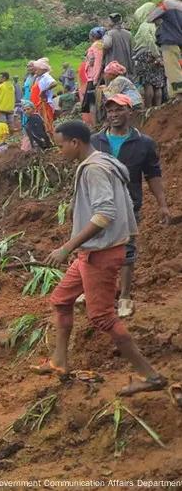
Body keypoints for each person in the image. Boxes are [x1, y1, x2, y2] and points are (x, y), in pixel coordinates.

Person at [35, 121, 167, 396]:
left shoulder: (95, 169)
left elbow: (104, 214)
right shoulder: (102, 161)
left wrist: (66, 247)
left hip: (101, 254)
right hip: (92, 252)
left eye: (61, 146)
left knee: (103, 318)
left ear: (75, 143)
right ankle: (59, 361)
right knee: (61, 300)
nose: (59, 151)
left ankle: (150, 375)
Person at [91, 94, 176, 318]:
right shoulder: (96, 141)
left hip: (129, 204)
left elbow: (153, 175)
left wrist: (163, 205)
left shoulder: (144, 143)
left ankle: (125, 296)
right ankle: (97, 290)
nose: (114, 115)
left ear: (130, 112)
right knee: (96, 246)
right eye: (110, 111)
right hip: (98, 204)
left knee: (126, 250)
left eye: (119, 110)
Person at [148, 0, 182, 98]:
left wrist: (160, 20)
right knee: (177, 67)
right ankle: (173, 96)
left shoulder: (166, 3)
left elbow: (150, 18)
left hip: (169, 40)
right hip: (179, 41)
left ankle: (178, 94)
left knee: (172, 69)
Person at [103, 13, 134, 77]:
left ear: (111, 22)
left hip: (113, 67)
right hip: (126, 66)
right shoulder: (128, 34)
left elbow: (106, 45)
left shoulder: (109, 34)